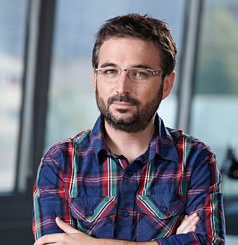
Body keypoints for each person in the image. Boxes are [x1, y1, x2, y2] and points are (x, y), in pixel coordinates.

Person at [33, 13, 225, 244]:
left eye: (140, 73)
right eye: (110, 71)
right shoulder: (61, 161)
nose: (122, 87)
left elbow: (209, 242)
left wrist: (94, 244)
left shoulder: (196, 159)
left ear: (166, 84)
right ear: (95, 79)